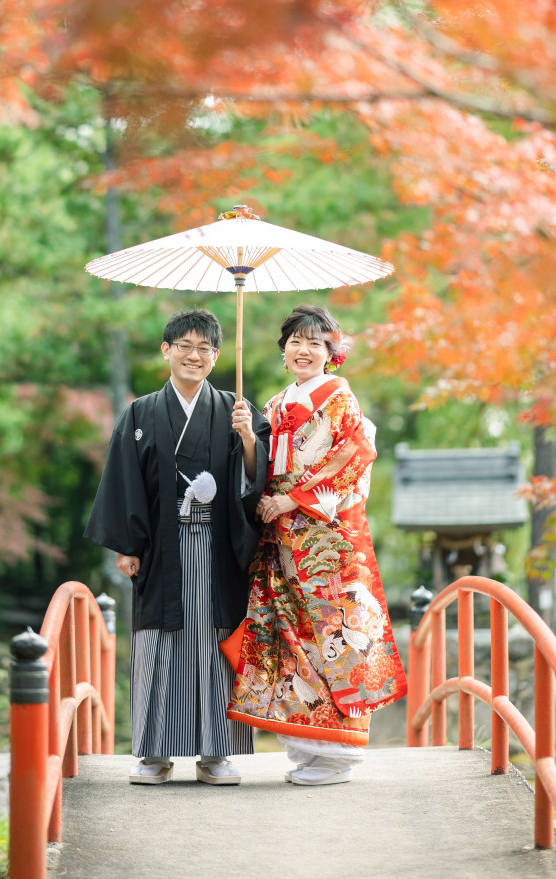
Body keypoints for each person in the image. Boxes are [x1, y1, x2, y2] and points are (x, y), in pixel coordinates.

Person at [84, 308, 270, 786]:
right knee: (159, 644)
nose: (194, 355)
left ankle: (216, 753)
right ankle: (154, 753)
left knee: (214, 642)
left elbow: (255, 479)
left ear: (217, 355)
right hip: (162, 549)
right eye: (184, 346)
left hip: (219, 548)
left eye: (204, 348)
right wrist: (127, 545)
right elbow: (125, 480)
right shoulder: (142, 413)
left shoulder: (235, 409)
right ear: (166, 350)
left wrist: (249, 438)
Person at [223, 304, 407, 786]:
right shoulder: (275, 403)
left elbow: (354, 454)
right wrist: (247, 438)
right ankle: (307, 746)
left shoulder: (339, 398)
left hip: (324, 535)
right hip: (280, 534)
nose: (303, 350)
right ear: (283, 351)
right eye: (295, 341)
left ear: (331, 353)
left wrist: (291, 500)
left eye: (315, 343)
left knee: (331, 634)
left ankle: (338, 754)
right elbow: (262, 463)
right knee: (288, 634)